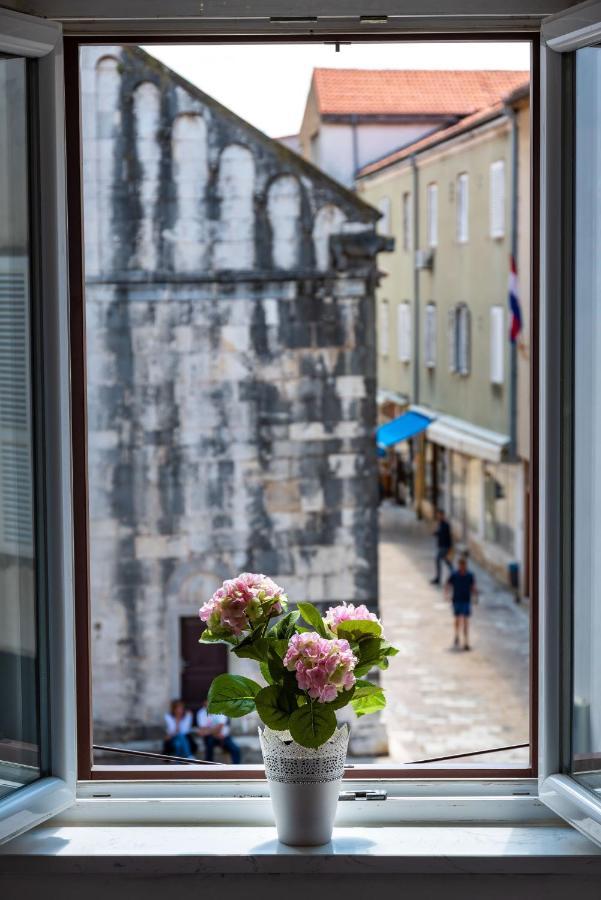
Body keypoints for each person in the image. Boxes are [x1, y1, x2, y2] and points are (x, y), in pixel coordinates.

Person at [445, 555, 478, 651]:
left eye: (463, 565)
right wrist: (447, 595)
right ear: (459, 565)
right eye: (461, 565)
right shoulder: (454, 575)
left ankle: (466, 641)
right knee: (457, 619)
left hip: (466, 600)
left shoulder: (470, 575)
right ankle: (456, 635)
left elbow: (473, 586)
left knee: (466, 621)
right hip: (457, 600)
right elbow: (448, 584)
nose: (462, 567)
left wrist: (475, 596)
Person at [196, 698, 241, 764]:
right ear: (204, 702)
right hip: (210, 737)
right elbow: (203, 729)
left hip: (223, 737)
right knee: (209, 745)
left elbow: (219, 727)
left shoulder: (221, 710)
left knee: (236, 749)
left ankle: (236, 769)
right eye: (208, 701)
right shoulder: (201, 713)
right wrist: (214, 732)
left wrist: (208, 731)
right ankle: (208, 768)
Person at [431, 509, 453, 585]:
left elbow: (449, 536)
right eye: (438, 515)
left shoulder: (446, 525)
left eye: (440, 515)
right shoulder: (440, 524)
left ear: (443, 515)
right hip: (441, 546)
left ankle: (438, 578)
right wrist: (435, 533)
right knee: (447, 562)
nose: (439, 516)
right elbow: (439, 533)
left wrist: (450, 548)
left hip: (445, 546)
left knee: (437, 560)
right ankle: (454, 575)